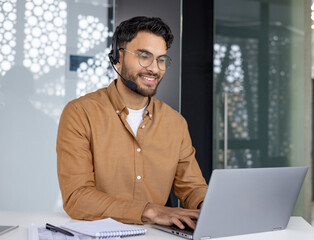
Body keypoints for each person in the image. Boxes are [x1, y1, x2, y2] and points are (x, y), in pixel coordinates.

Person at [57, 16, 207, 230]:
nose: (154, 69)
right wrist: (150, 211)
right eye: (144, 57)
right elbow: (77, 198)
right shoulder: (80, 113)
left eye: (161, 59)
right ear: (117, 57)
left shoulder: (175, 123)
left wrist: (208, 208)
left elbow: (192, 187)